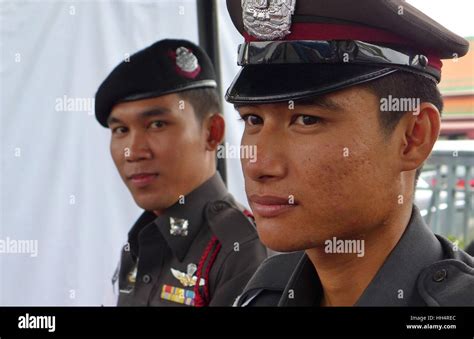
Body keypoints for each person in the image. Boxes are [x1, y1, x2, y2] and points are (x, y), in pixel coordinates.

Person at [225, 0, 474, 306]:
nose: (258, 164)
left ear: (413, 137)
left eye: (307, 120)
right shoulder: (265, 293)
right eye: (253, 119)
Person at [95, 39, 267, 306]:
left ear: (212, 133)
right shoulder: (141, 240)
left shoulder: (242, 250)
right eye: (120, 130)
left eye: (156, 124)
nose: (133, 151)